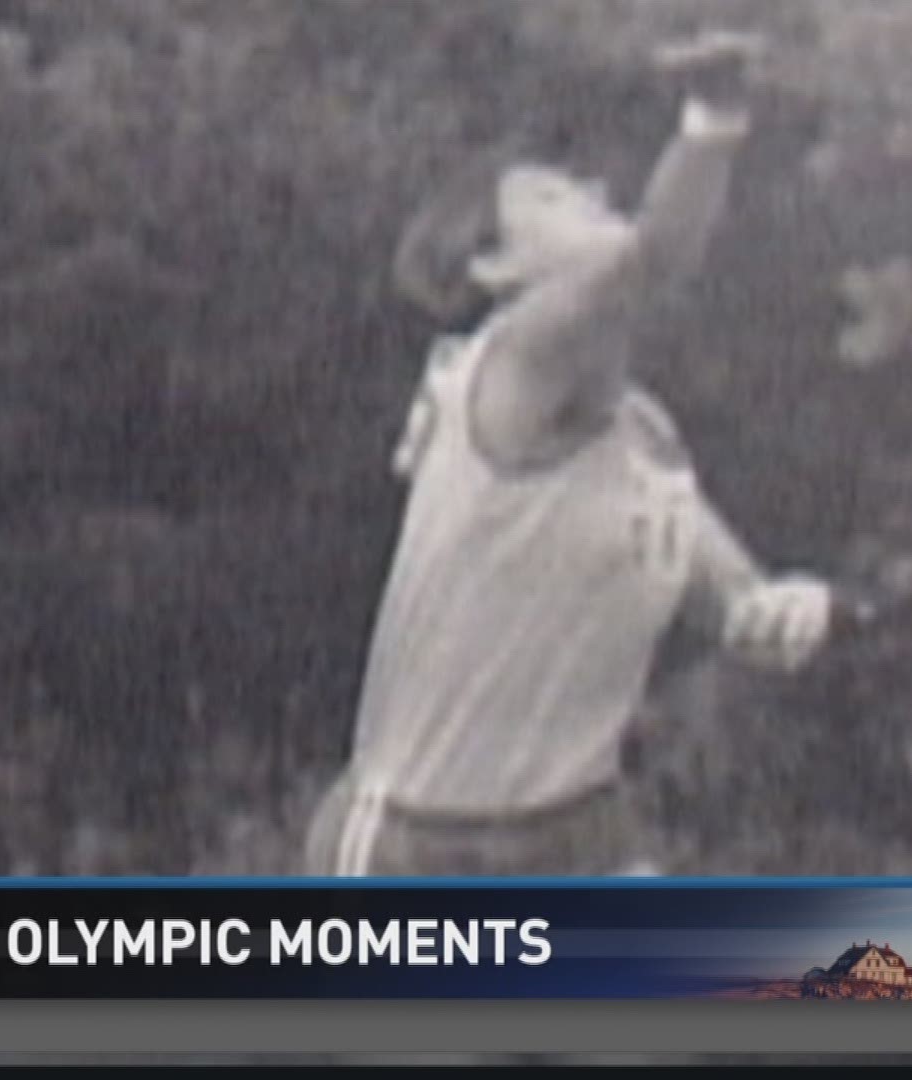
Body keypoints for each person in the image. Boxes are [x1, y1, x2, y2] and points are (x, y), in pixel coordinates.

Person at [302, 31, 839, 877]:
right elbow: (652, 259)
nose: (592, 191)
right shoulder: (514, 360)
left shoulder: (642, 431)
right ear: (494, 264)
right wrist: (714, 117)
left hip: (583, 835)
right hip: (427, 845)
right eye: (551, 197)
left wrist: (777, 608)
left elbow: (729, 599)